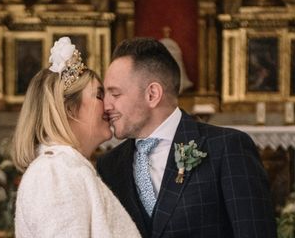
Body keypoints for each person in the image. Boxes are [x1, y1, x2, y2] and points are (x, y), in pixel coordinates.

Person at [97, 37, 277, 237]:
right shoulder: (110, 166)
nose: (106, 105)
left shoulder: (227, 149)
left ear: (152, 94)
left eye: (115, 94)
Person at [11, 37, 141, 238]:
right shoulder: (55, 173)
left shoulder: (67, 168)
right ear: (69, 109)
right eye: (99, 95)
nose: (108, 105)